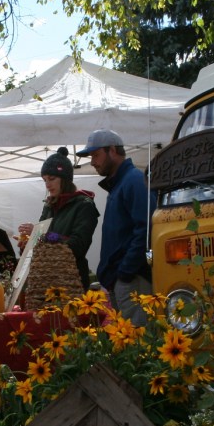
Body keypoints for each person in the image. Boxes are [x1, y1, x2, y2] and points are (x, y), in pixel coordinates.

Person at [77, 129, 154, 325]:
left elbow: (146, 229)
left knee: (138, 343)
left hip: (132, 281)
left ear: (112, 150)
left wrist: (125, 273)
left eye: (95, 155)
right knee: (128, 345)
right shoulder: (120, 183)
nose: (93, 162)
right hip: (122, 282)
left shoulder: (134, 180)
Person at [22, 147, 99, 290]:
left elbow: (78, 246)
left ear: (65, 179)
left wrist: (42, 234)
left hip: (72, 281)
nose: (47, 184)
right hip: (47, 280)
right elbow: (42, 243)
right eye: (45, 180)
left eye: (52, 178)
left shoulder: (84, 205)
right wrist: (28, 241)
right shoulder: (49, 206)